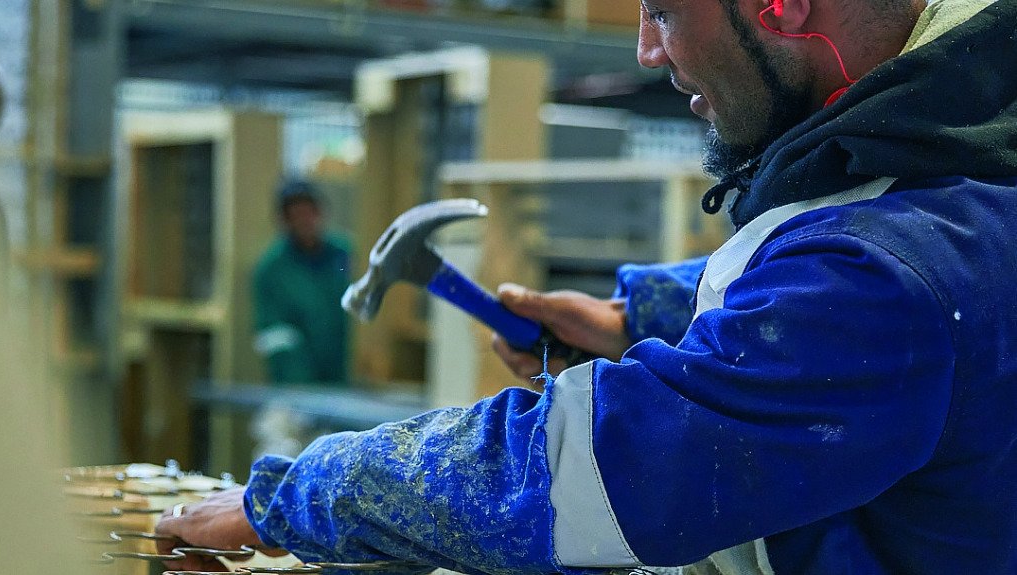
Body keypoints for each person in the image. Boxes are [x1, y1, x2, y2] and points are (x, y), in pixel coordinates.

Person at [156, 0, 1017, 573]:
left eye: (664, 8)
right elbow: (864, 297)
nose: (647, 48)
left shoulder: (890, 277)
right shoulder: (962, 160)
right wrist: (634, 318)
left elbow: (592, 466)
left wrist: (299, 492)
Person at [253, 180, 353, 384]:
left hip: (347, 379)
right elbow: (274, 334)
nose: (304, 220)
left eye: (309, 212)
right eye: (295, 215)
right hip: (297, 386)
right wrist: (300, 387)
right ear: (284, 220)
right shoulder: (271, 269)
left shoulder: (345, 254)